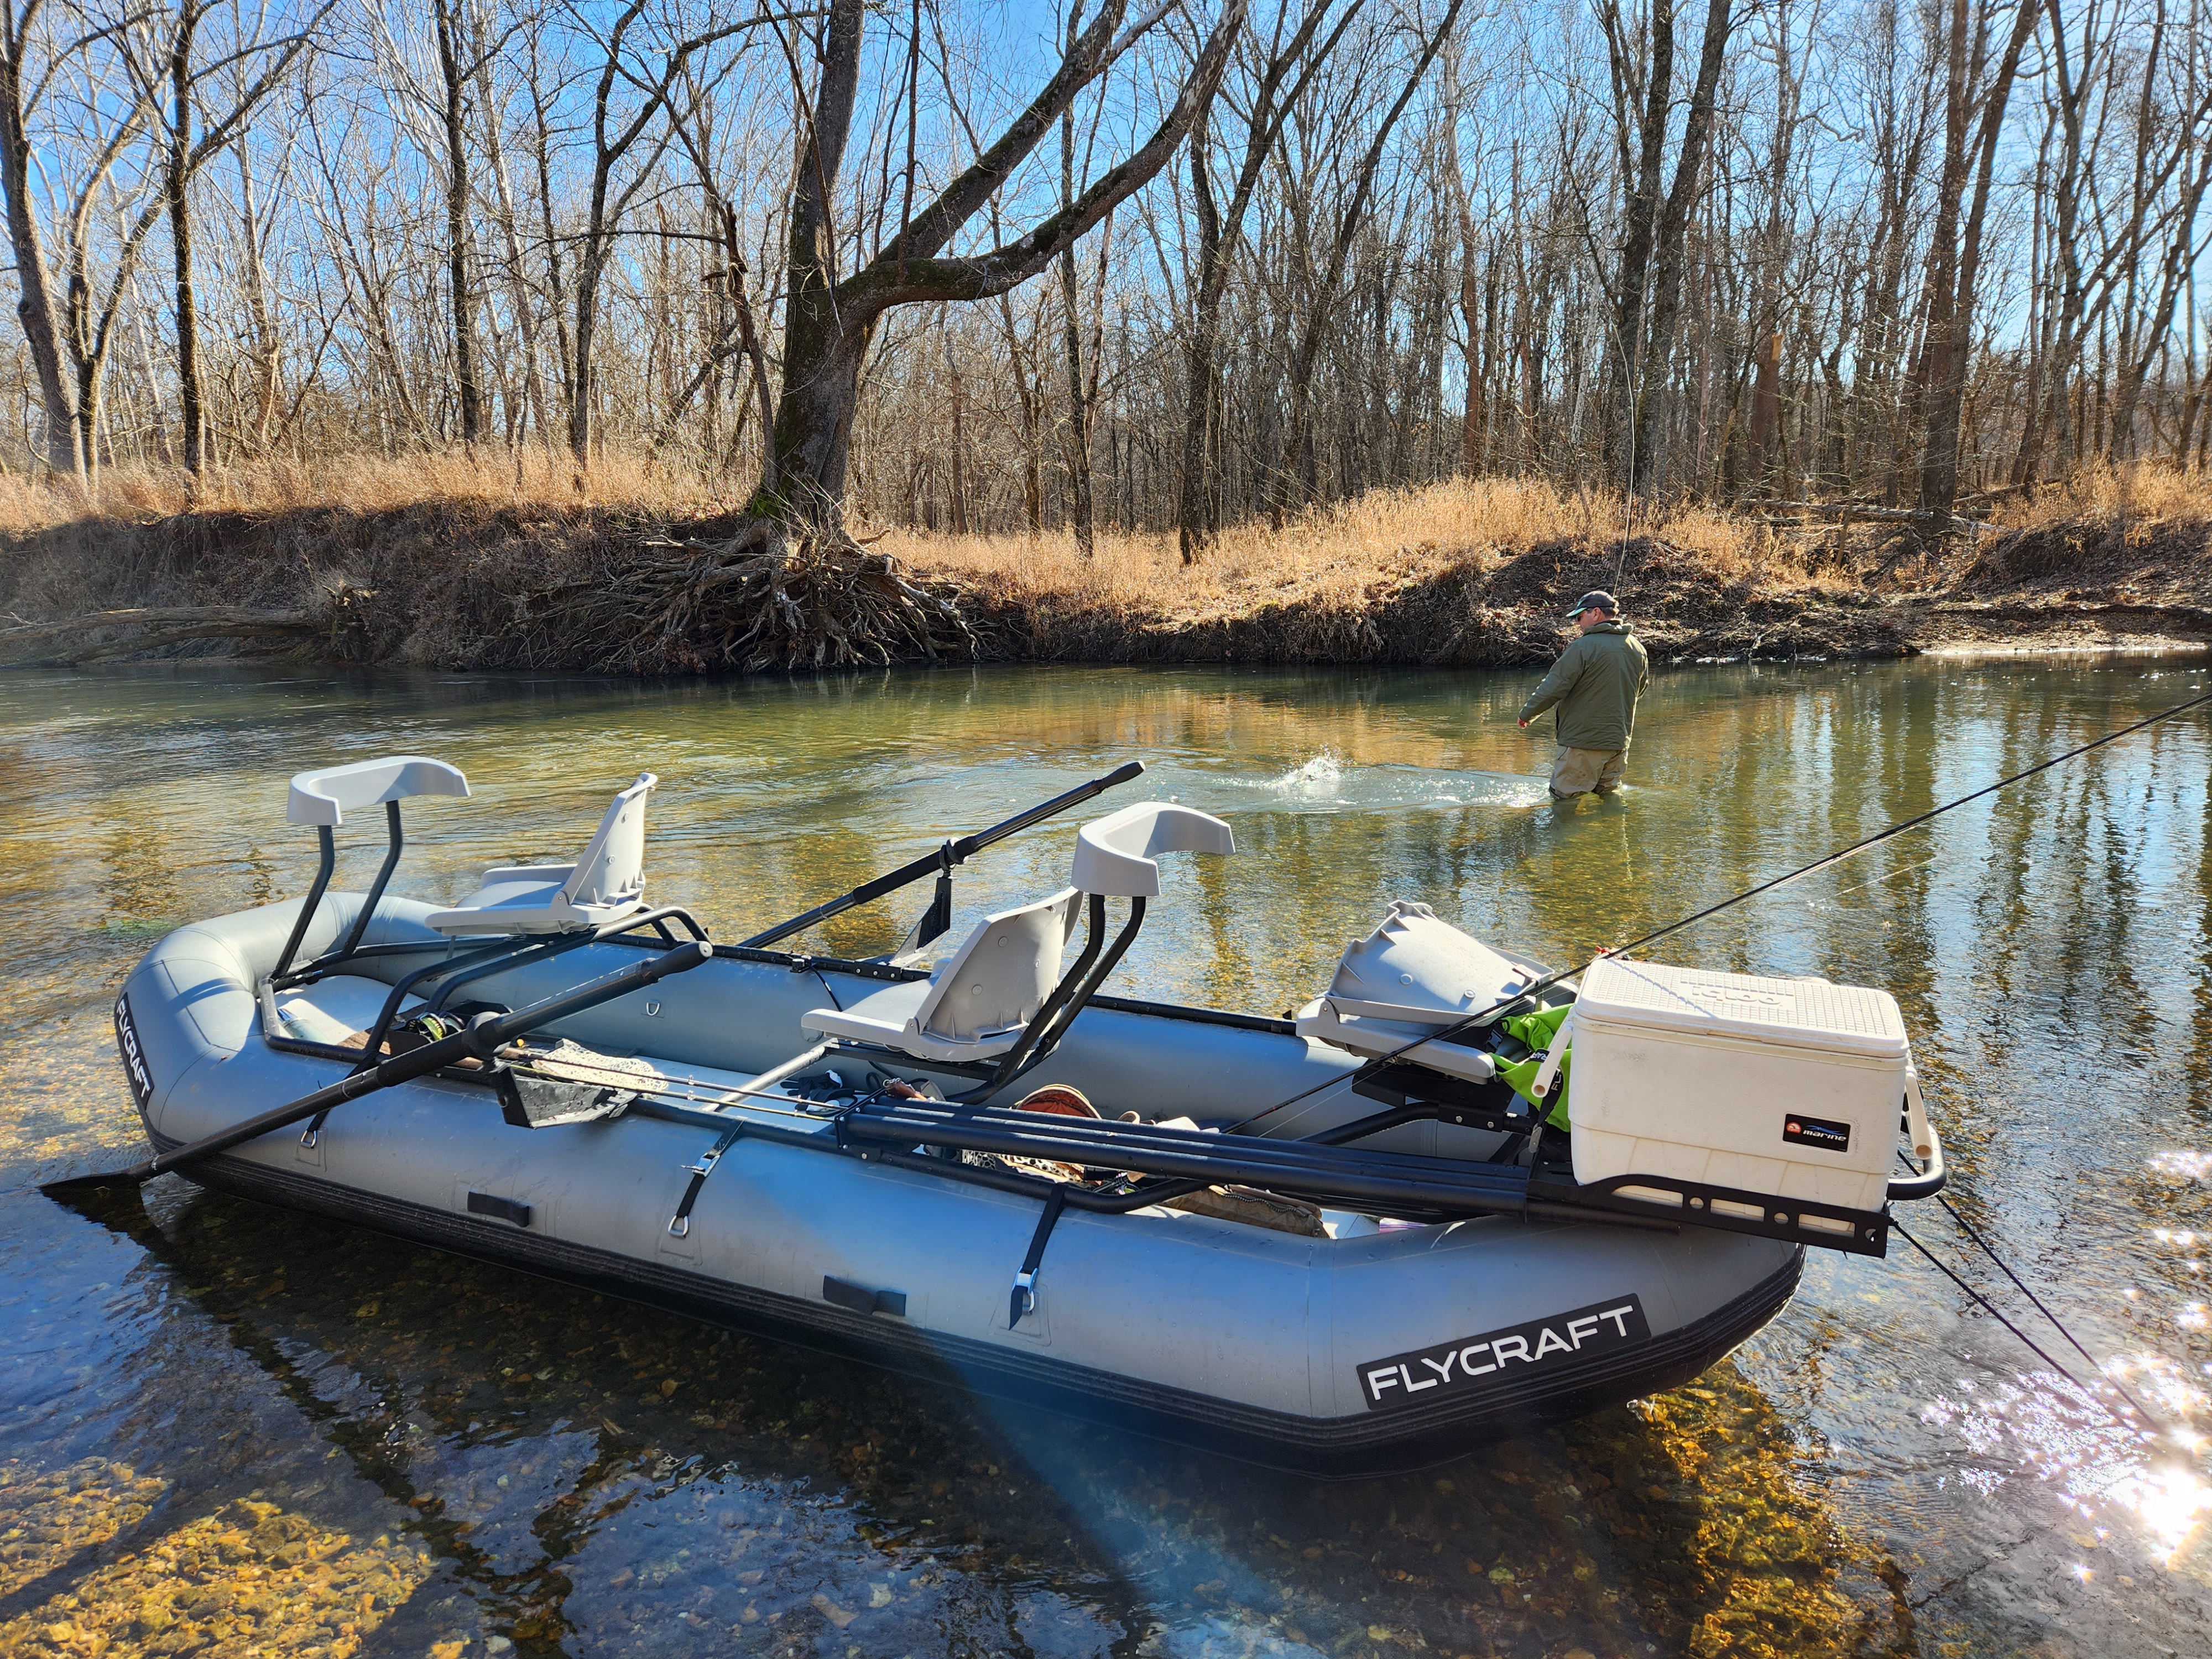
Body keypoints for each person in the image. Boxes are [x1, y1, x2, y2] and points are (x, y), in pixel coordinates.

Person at [1515, 589, 1650, 801]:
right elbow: (1640, 691)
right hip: (1618, 745)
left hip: (1582, 745)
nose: (1578, 623)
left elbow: (1553, 687)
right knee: (1610, 799)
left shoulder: (1582, 648)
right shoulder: (1638, 648)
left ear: (1596, 613)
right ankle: (1612, 836)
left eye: (1580, 617)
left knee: (1565, 802)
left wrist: (1527, 714)